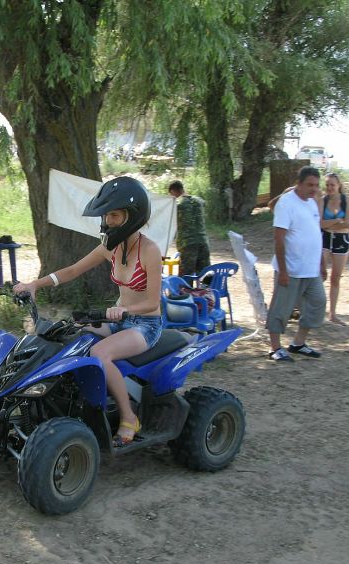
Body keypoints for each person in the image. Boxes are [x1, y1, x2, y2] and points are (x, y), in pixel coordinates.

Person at [13, 177, 163, 446]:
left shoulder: (150, 251)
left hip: (145, 325)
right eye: (106, 215)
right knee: (68, 332)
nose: (107, 221)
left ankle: (129, 417)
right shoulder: (110, 248)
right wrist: (35, 284)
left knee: (100, 353)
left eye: (114, 215)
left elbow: (153, 303)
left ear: (132, 216)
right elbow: (72, 270)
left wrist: (124, 310)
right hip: (117, 318)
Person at [266, 166, 326, 361]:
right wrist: (283, 270)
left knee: (317, 303)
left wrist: (322, 263)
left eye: (316, 185)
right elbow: (279, 239)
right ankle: (275, 348)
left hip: (311, 268)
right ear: (298, 184)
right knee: (281, 308)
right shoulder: (286, 203)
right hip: (291, 269)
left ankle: (298, 343)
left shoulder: (312, 203)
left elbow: (317, 234)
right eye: (310, 185)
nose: (314, 189)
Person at [318, 173, 349, 325]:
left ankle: (333, 313)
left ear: (339, 185)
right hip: (325, 238)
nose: (330, 188)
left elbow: (348, 224)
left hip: (341, 239)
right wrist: (337, 220)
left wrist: (330, 223)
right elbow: (320, 223)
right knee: (320, 274)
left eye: (332, 184)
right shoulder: (322, 201)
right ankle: (317, 311)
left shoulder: (348, 200)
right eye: (327, 185)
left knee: (335, 278)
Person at [167, 180, 210, 279]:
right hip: (203, 241)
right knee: (205, 274)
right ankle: (207, 293)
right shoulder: (199, 201)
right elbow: (204, 204)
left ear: (173, 191)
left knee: (186, 275)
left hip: (187, 244)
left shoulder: (178, 204)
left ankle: (186, 294)